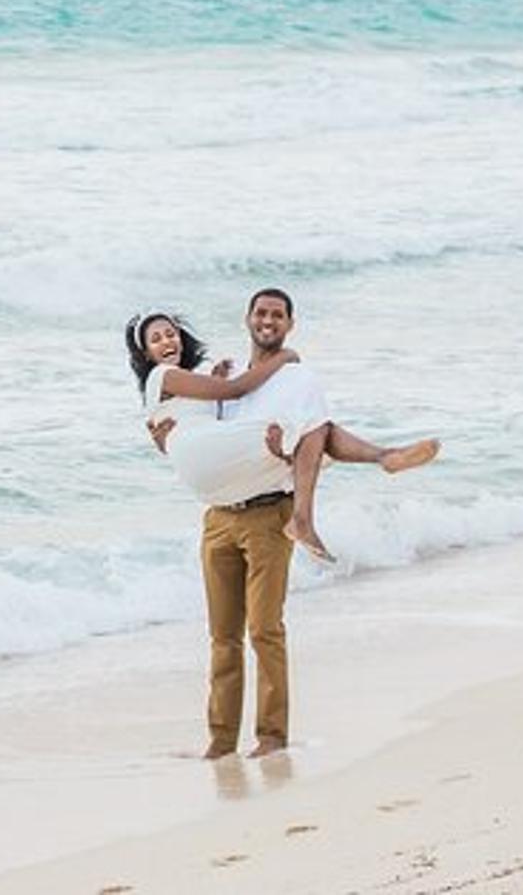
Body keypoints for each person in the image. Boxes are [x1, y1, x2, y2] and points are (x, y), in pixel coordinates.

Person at [125, 289, 438, 759]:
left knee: (265, 630)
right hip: (218, 517)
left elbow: (211, 414)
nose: (166, 341)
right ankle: (221, 742)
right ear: (247, 318)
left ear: (290, 323)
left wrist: (267, 429)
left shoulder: (270, 380)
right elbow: (201, 420)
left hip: (267, 513)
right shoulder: (207, 379)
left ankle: (271, 738)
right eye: (156, 338)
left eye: (170, 334)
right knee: (222, 639)